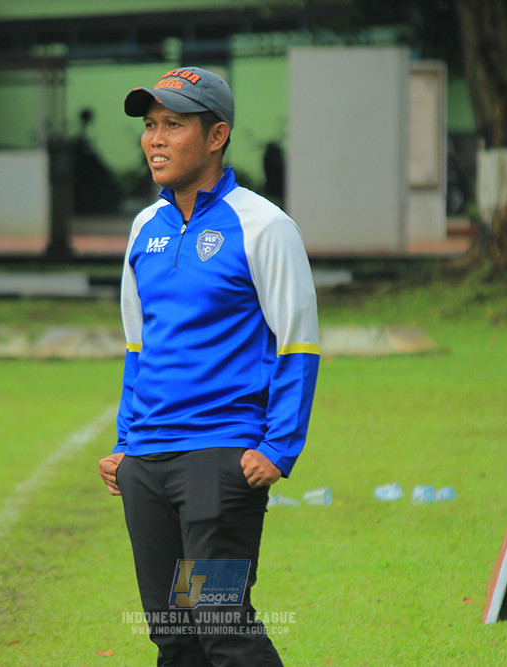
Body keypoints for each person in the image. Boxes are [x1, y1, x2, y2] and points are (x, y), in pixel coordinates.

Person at [98, 66, 320, 667]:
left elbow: (298, 343)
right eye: (149, 125)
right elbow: (137, 347)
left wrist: (279, 447)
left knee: (219, 620)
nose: (156, 139)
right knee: (174, 635)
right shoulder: (146, 228)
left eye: (174, 124)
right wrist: (125, 443)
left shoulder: (264, 226)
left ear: (217, 135)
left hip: (218, 463)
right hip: (146, 466)